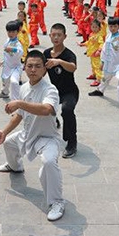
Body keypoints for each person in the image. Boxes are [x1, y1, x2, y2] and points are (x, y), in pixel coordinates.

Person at [0, 50, 65, 222]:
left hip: (46, 138)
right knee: (9, 144)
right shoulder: (24, 87)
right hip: (27, 134)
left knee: (48, 162)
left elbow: (47, 110)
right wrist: (4, 132)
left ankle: (57, 202)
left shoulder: (50, 89)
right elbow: (19, 115)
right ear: (24, 68)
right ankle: (15, 166)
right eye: (30, 66)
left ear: (44, 70)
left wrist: (19, 103)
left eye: (38, 66)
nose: (33, 70)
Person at [44, 24, 80, 159]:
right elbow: (42, 70)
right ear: (50, 36)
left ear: (65, 36)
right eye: (53, 35)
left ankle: (72, 142)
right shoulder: (47, 53)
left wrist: (59, 61)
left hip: (69, 92)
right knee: (43, 107)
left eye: (59, 35)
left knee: (67, 110)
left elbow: (72, 68)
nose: (56, 37)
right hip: (54, 91)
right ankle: (54, 120)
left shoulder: (69, 54)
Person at [88, 17, 119, 111]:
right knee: (105, 79)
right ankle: (100, 91)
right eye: (111, 26)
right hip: (107, 64)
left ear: (118, 26)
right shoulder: (108, 36)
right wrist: (102, 62)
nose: (113, 28)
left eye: (115, 26)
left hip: (117, 65)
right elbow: (104, 50)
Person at [0, 21, 24, 99]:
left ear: (17, 32)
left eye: (13, 32)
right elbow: (7, 54)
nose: (10, 34)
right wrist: (3, 61)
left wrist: (12, 49)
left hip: (15, 67)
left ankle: (16, 100)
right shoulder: (8, 40)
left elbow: (20, 52)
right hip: (7, 66)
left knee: (14, 82)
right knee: (5, 81)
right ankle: (4, 93)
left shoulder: (18, 43)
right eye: (9, 31)